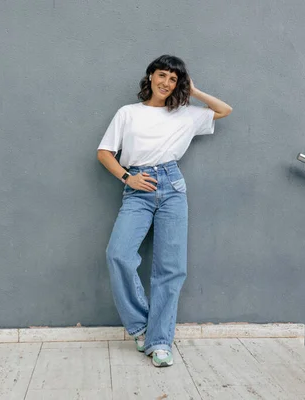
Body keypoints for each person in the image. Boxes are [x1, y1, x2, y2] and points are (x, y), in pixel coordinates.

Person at [97, 55, 232, 367]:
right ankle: (141, 326)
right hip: (137, 188)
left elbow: (225, 110)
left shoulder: (185, 114)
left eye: (173, 79)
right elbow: (104, 152)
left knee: (170, 268)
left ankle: (160, 342)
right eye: (162, 76)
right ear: (150, 76)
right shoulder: (128, 113)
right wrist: (127, 176)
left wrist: (194, 91)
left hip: (172, 187)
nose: (166, 83)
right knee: (118, 254)